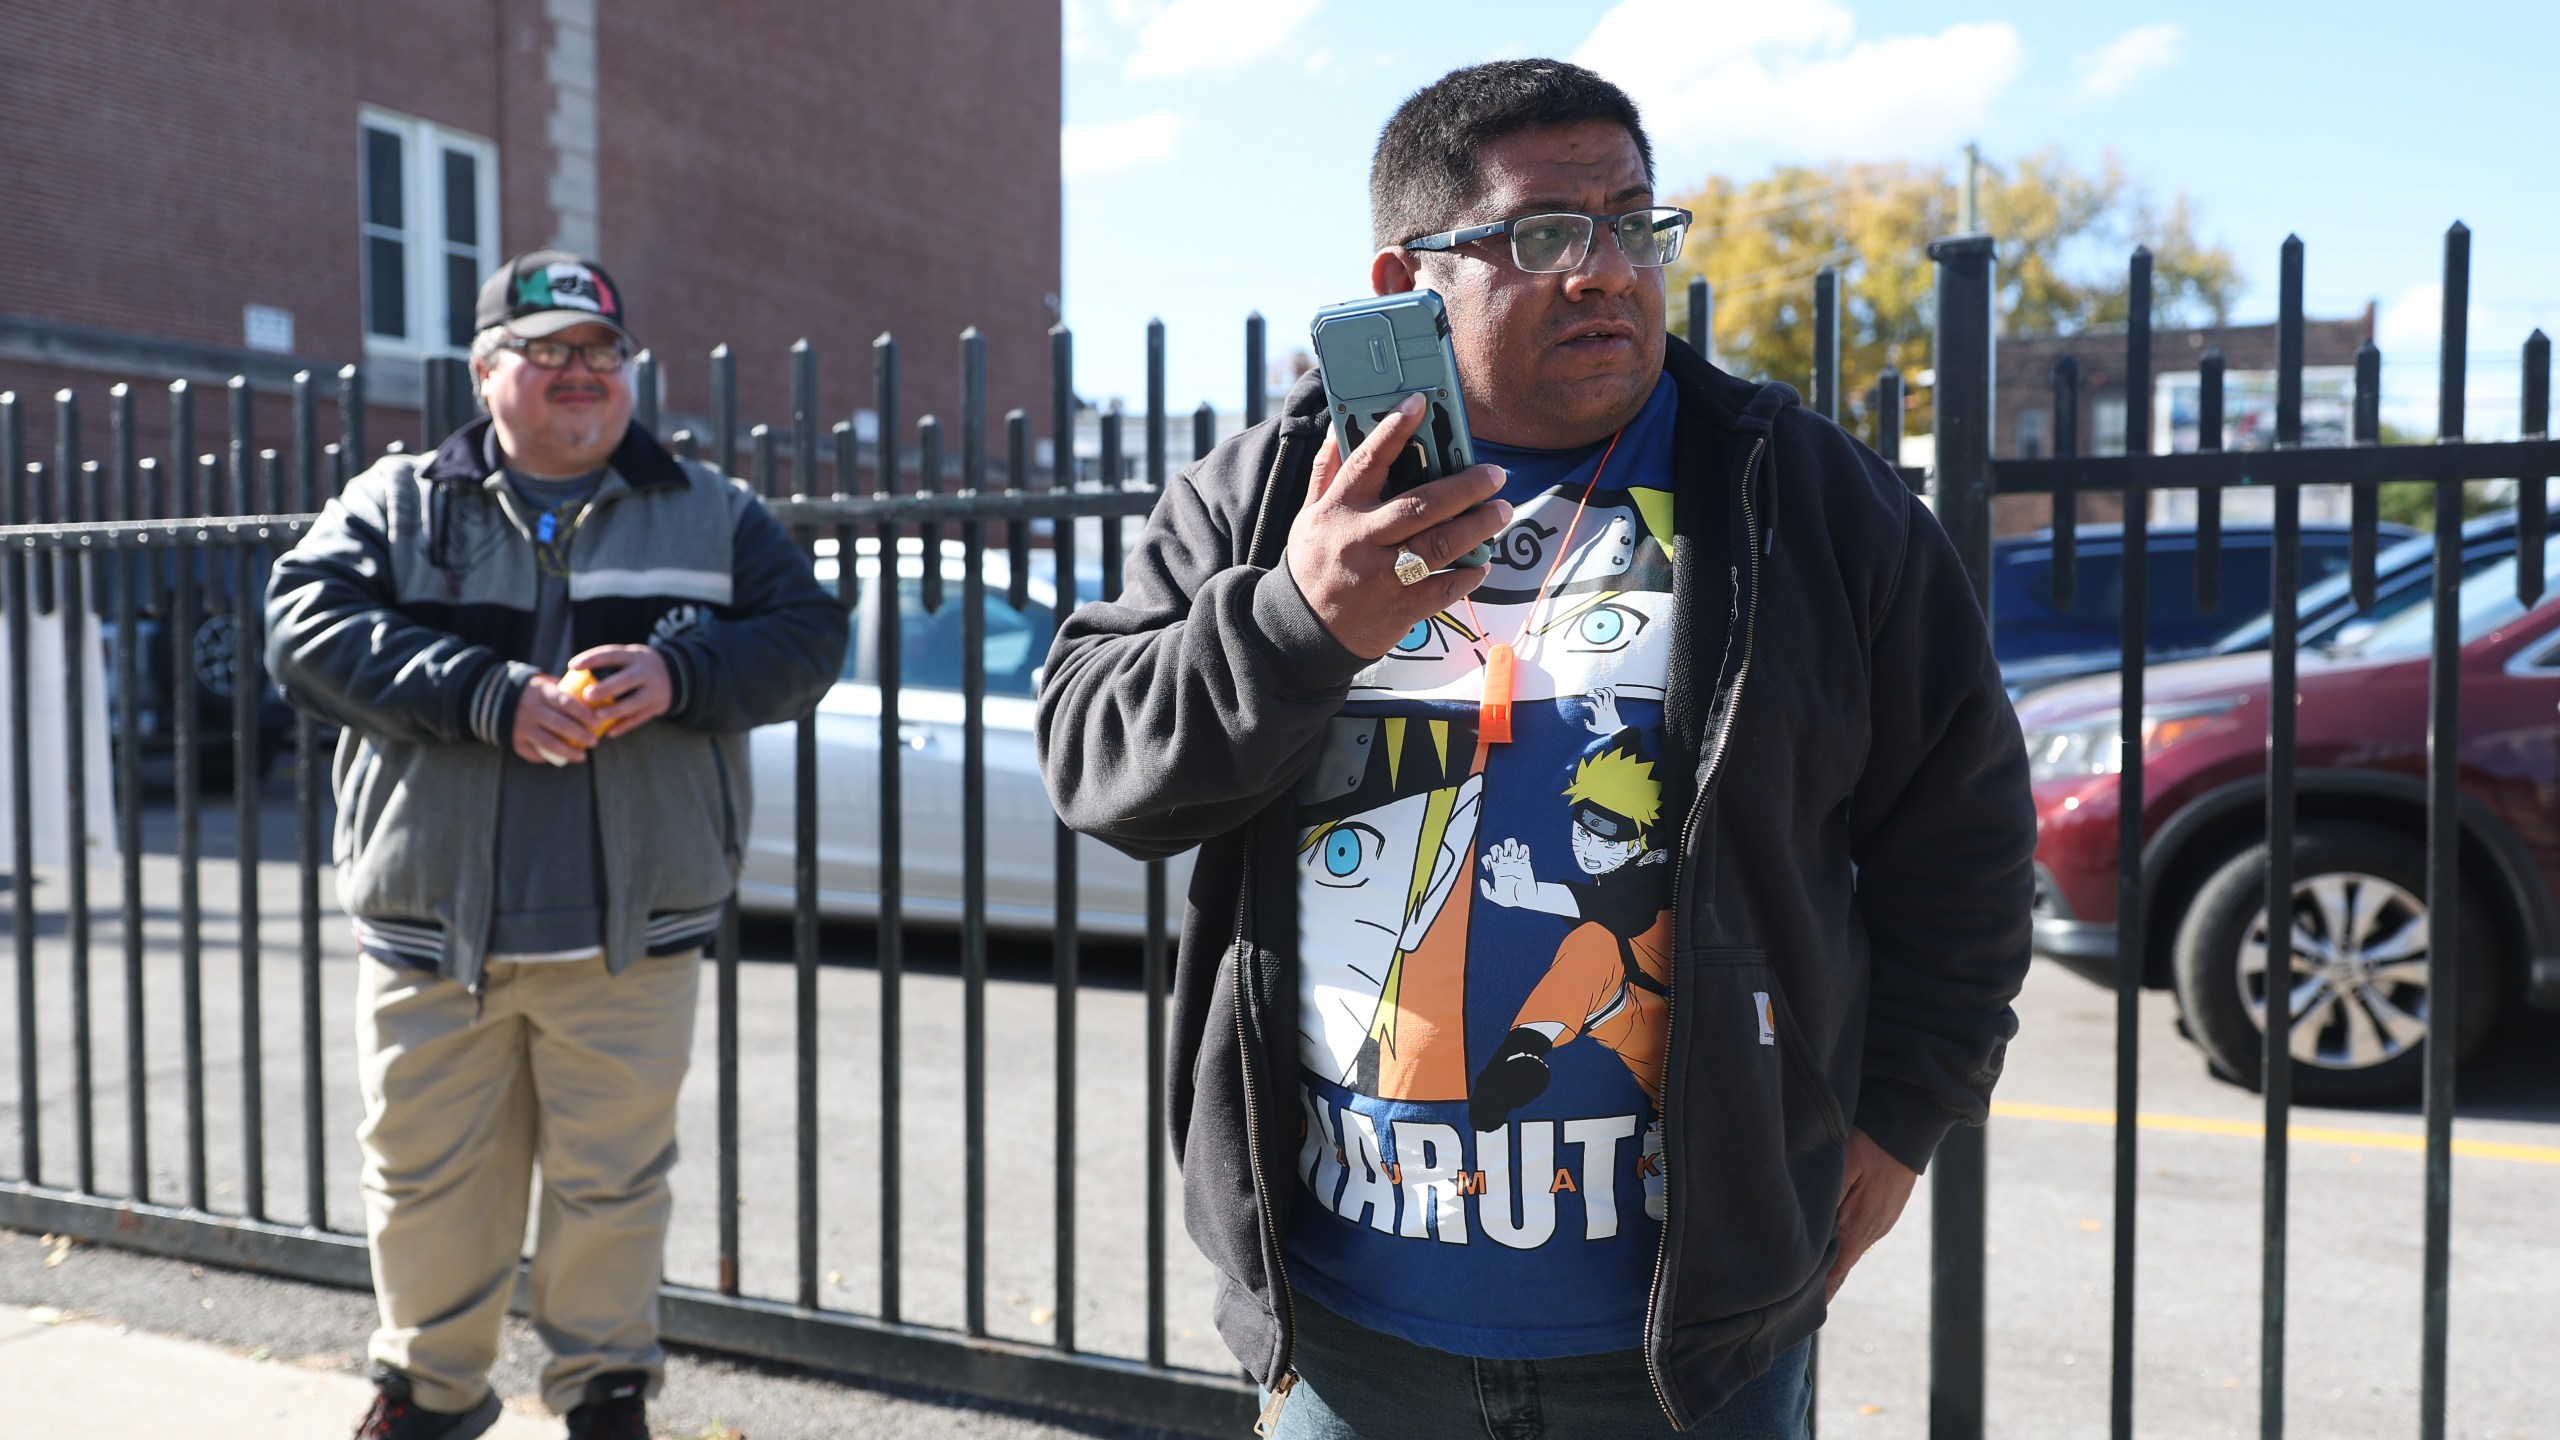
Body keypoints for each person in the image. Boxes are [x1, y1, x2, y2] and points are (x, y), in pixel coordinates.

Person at [1036, 61, 2033, 1437]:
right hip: (1349, 1333)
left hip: (1689, 1345)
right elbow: (1099, 763)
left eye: (1634, 223)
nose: (1605, 270)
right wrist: (1301, 620)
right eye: (1545, 233)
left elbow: (1963, 838)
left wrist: (1905, 1113)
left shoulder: (1800, 494)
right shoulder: (1266, 499)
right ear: (1408, 277)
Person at [266, 250, 848, 1440]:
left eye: (602, 351)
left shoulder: (714, 510)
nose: (581, 372)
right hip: (433, 929)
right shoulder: (397, 502)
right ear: (485, 372)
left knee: (613, 1185)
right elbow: (301, 627)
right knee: (424, 1182)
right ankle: (428, 1394)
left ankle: (604, 1393)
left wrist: (683, 672)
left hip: (631, 932)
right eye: (547, 351)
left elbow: (807, 639)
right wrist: (485, 695)